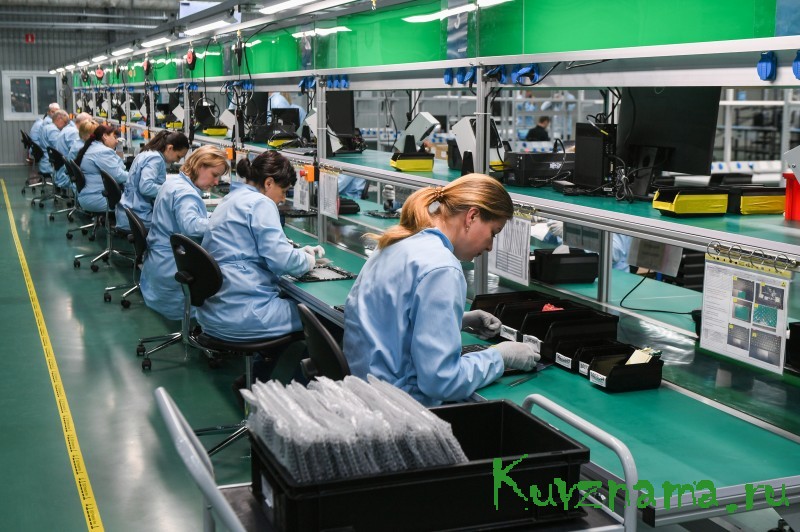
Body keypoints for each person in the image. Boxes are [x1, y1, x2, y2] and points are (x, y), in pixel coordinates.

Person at [343, 174, 539, 406]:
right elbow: (441, 381)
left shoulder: (397, 241)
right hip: (402, 409)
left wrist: (460, 320)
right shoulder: (442, 268)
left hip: (363, 396)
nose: (490, 246)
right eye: (493, 233)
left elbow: (391, 319)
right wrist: (500, 356)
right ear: (472, 216)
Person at [197, 151, 323, 342]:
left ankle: (266, 360)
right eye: (283, 191)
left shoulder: (232, 197)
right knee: (323, 317)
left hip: (215, 312)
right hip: (245, 313)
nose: (283, 199)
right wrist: (307, 260)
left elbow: (250, 248)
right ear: (269, 183)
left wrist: (295, 252)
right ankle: (277, 362)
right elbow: (282, 261)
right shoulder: (260, 203)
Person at [139, 145, 228, 321]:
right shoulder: (185, 193)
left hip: (157, 267)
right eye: (214, 175)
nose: (216, 182)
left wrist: (213, 217)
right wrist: (226, 223)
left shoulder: (173, 183)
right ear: (200, 166)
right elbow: (192, 226)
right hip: (173, 272)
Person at [115, 130, 190, 231]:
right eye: (178, 156)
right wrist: (171, 190)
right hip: (138, 216)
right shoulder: (155, 159)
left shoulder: (148, 153)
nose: (177, 161)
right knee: (180, 227)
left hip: (129, 211)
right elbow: (146, 187)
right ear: (170, 148)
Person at [74, 124, 129, 213]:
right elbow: (119, 176)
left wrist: (119, 148)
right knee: (137, 203)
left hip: (88, 196)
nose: (116, 141)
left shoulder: (93, 147)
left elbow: (119, 168)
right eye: (115, 137)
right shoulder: (103, 152)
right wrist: (134, 174)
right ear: (105, 136)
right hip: (98, 198)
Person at [54, 112, 91, 189]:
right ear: (82, 122)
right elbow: (78, 152)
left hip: (62, 170)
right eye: (89, 122)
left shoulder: (69, 129)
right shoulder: (74, 132)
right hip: (66, 175)